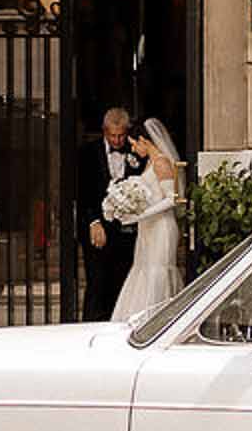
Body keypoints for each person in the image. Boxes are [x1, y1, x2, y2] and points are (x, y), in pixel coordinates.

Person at [110, 119, 184, 322]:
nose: (133, 149)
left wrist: (140, 215)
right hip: (149, 227)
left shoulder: (161, 162)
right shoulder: (150, 163)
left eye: (134, 144)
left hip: (161, 227)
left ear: (144, 140)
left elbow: (172, 199)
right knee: (143, 270)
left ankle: (157, 319)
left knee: (157, 271)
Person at [79, 107, 139, 321]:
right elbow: (82, 192)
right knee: (97, 283)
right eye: (113, 135)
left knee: (122, 284)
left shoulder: (136, 152)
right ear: (104, 131)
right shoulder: (87, 152)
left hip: (127, 232)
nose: (117, 140)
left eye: (121, 135)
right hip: (98, 229)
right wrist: (93, 222)